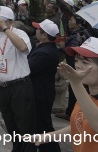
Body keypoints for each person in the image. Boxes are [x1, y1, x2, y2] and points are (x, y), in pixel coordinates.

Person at [0, 6, 35, 152]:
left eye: (0, 21)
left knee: (25, 125)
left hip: (19, 86)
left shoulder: (20, 34)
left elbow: (22, 48)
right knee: (10, 124)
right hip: (2, 86)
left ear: (11, 21)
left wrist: (6, 30)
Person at [28, 19, 61, 152]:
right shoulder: (44, 47)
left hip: (41, 94)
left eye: (38, 29)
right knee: (40, 125)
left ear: (44, 35)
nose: (35, 30)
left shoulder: (45, 52)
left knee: (44, 126)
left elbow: (28, 69)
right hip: (41, 92)